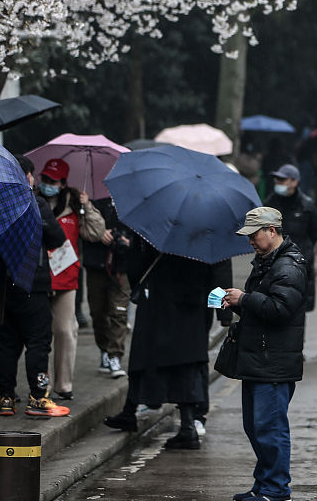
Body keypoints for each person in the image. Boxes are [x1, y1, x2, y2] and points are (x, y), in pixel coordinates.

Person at [103, 242, 231, 450]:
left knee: (145, 357)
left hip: (159, 302)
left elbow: (136, 266)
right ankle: (188, 425)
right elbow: (221, 270)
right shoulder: (209, 229)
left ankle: (131, 411)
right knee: (187, 363)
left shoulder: (160, 226)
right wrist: (223, 313)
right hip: (194, 305)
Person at [222, 207, 307, 501]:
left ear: (272, 230)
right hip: (259, 357)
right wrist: (237, 304)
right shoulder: (267, 262)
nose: (251, 242)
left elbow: (280, 310)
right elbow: (263, 309)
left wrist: (244, 298)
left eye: (254, 235)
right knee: (256, 426)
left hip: (274, 361)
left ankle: (277, 490)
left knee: (270, 427)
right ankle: (264, 483)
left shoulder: (288, 266)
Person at [0, 155, 71, 418]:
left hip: (2, 286)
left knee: (6, 343)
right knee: (38, 342)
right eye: (31, 174)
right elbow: (57, 238)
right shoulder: (34, 202)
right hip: (33, 284)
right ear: (25, 176)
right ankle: (38, 398)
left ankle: (5, 397)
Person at [39, 158, 106, 401]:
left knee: (65, 331)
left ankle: (63, 385)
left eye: (53, 180)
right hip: (39, 276)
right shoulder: (35, 200)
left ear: (64, 182)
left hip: (67, 276)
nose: (47, 184)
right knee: (40, 335)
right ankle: (40, 385)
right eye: (45, 178)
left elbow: (95, 233)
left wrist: (88, 207)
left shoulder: (76, 202)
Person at [262, 163, 317, 312]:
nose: (278, 184)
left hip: (299, 265)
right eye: (277, 180)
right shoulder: (269, 204)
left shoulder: (306, 206)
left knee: (297, 312)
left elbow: (314, 232)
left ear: (294, 182)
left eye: (283, 180)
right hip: (273, 264)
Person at [83, 196, 130, 380]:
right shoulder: (92, 201)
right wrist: (99, 232)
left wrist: (126, 239)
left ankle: (115, 355)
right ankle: (104, 349)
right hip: (96, 265)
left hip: (121, 267)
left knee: (119, 311)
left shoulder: (131, 203)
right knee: (98, 312)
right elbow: (82, 230)